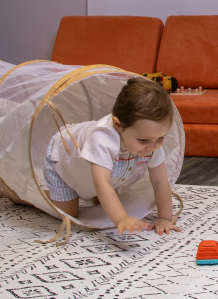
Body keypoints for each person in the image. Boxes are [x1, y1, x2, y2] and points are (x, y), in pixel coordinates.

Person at [38, 77, 179, 245]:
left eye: (160, 138)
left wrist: (164, 218)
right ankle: (40, 194)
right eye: (143, 140)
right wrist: (121, 219)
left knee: (102, 201)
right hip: (63, 161)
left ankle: (86, 194)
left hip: (95, 171)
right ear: (118, 125)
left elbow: (160, 181)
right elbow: (102, 184)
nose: (152, 146)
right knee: (70, 213)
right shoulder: (102, 139)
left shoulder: (150, 141)